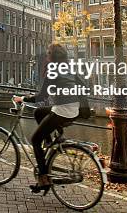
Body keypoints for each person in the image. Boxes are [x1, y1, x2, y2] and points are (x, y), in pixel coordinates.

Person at [13, 43, 80, 194]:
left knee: (35, 140)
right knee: (38, 112)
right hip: (73, 109)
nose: (47, 56)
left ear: (52, 56)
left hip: (62, 111)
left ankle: (43, 178)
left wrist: (22, 98)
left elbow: (42, 96)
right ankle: (50, 141)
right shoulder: (68, 68)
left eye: (48, 53)